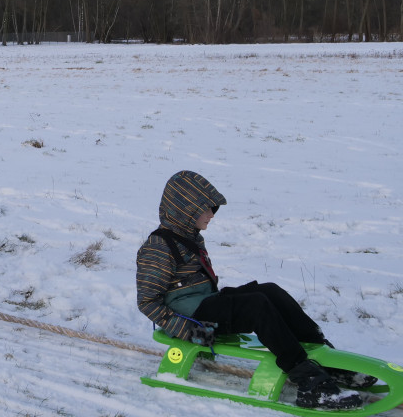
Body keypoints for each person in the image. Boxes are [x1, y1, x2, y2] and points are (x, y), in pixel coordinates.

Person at [136, 170, 371, 411]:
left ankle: (324, 361)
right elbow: (147, 301)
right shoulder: (158, 247)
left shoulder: (188, 236)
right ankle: (311, 385)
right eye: (206, 209)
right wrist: (188, 330)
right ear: (186, 210)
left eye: (212, 209)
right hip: (192, 319)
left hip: (205, 302)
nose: (211, 215)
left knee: (269, 291)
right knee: (256, 306)